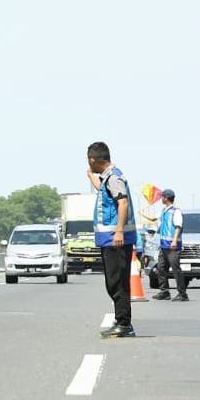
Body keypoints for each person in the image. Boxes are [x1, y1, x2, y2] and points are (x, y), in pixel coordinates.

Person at [87, 141, 137, 338]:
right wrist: (91, 177)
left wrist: (118, 232)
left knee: (117, 282)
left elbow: (122, 203)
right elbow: (103, 190)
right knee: (113, 281)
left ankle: (124, 323)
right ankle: (121, 319)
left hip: (115, 239)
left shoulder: (114, 177)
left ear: (93, 159)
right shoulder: (108, 177)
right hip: (109, 239)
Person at [152, 189, 187, 302]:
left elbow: (178, 227)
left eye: (162, 197)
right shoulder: (164, 210)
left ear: (166, 198)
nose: (161, 199)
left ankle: (182, 293)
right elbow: (154, 218)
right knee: (160, 268)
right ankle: (164, 291)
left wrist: (174, 241)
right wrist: (142, 214)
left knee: (176, 269)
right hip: (164, 245)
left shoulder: (176, 211)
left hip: (172, 246)